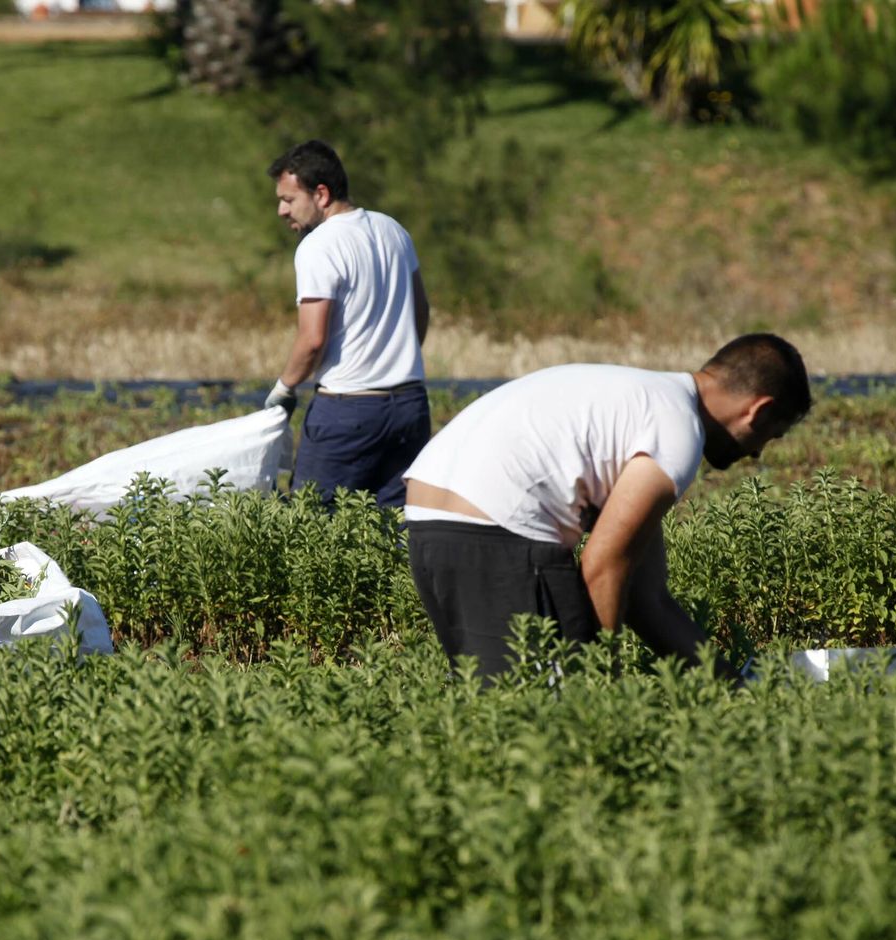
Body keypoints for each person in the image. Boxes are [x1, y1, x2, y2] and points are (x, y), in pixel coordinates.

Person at [403, 334, 811, 681]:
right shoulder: (677, 428)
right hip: (500, 526)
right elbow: (603, 565)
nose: (756, 454)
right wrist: (604, 689)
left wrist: (731, 687)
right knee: (550, 713)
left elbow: (646, 599)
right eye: (770, 436)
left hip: (430, 520)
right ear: (760, 410)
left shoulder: (637, 404)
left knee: (495, 703)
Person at [262, 139, 431, 509]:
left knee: (311, 522)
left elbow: (312, 340)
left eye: (289, 199)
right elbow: (420, 312)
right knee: (393, 527)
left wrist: (284, 388)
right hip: (410, 405)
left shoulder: (319, 245)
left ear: (321, 194)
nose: (281, 210)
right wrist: (395, 358)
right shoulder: (393, 231)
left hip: (348, 409)